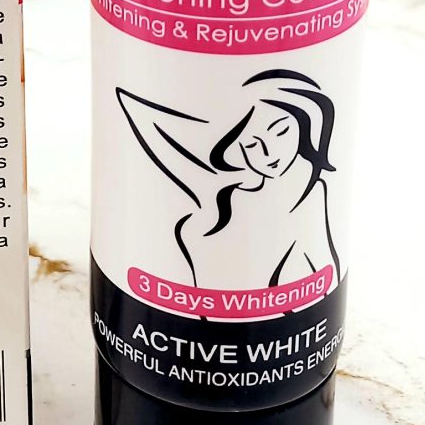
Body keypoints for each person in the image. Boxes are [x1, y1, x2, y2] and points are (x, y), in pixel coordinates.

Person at [115, 67, 338, 290]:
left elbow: (323, 268)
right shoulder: (216, 211)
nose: (268, 153)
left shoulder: (311, 195)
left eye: (281, 131)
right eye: (251, 145)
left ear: (304, 125)